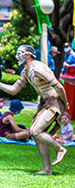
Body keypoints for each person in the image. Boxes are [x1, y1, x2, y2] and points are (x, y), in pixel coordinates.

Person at [0, 45, 69, 174]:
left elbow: (59, 87)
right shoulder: (26, 72)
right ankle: (47, 169)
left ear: (28, 55)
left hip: (54, 102)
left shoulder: (39, 69)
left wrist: (65, 104)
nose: (17, 56)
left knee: (35, 131)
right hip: (44, 103)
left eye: (19, 53)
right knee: (37, 135)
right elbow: (14, 90)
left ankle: (60, 149)